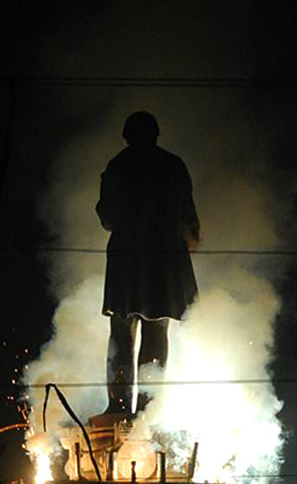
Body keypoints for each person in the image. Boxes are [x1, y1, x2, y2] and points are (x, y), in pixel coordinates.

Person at [93, 111, 200, 423]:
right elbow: (189, 218)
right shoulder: (173, 166)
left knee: (121, 331)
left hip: (128, 260)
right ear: (156, 133)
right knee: (156, 332)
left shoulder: (118, 166)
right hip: (163, 261)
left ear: (128, 136)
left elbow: (107, 217)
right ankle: (146, 408)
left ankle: (118, 405)